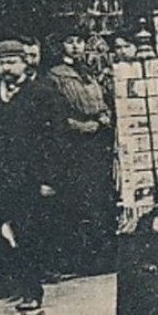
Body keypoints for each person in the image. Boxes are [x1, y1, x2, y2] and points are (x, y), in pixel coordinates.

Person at [0, 38, 59, 312]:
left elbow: (54, 140)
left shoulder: (41, 93)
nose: (6, 68)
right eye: (1, 63)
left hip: (25, 178)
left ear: (24, 63)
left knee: (26, 234)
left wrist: (48, 179)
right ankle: (18, 278)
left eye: (11, 62)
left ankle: (32, 290)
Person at [42, 29, 116, 276]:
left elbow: (101, 101)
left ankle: (102, 256)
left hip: (97, 143)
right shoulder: (55, 76)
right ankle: (83, 259)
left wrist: (105, 116)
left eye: (79, 42)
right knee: (79, 201)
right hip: (74, 146)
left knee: (99, 198)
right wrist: (83, 126)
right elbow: (54, 116)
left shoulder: (88, 72)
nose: (75, 47)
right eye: (70, 41)